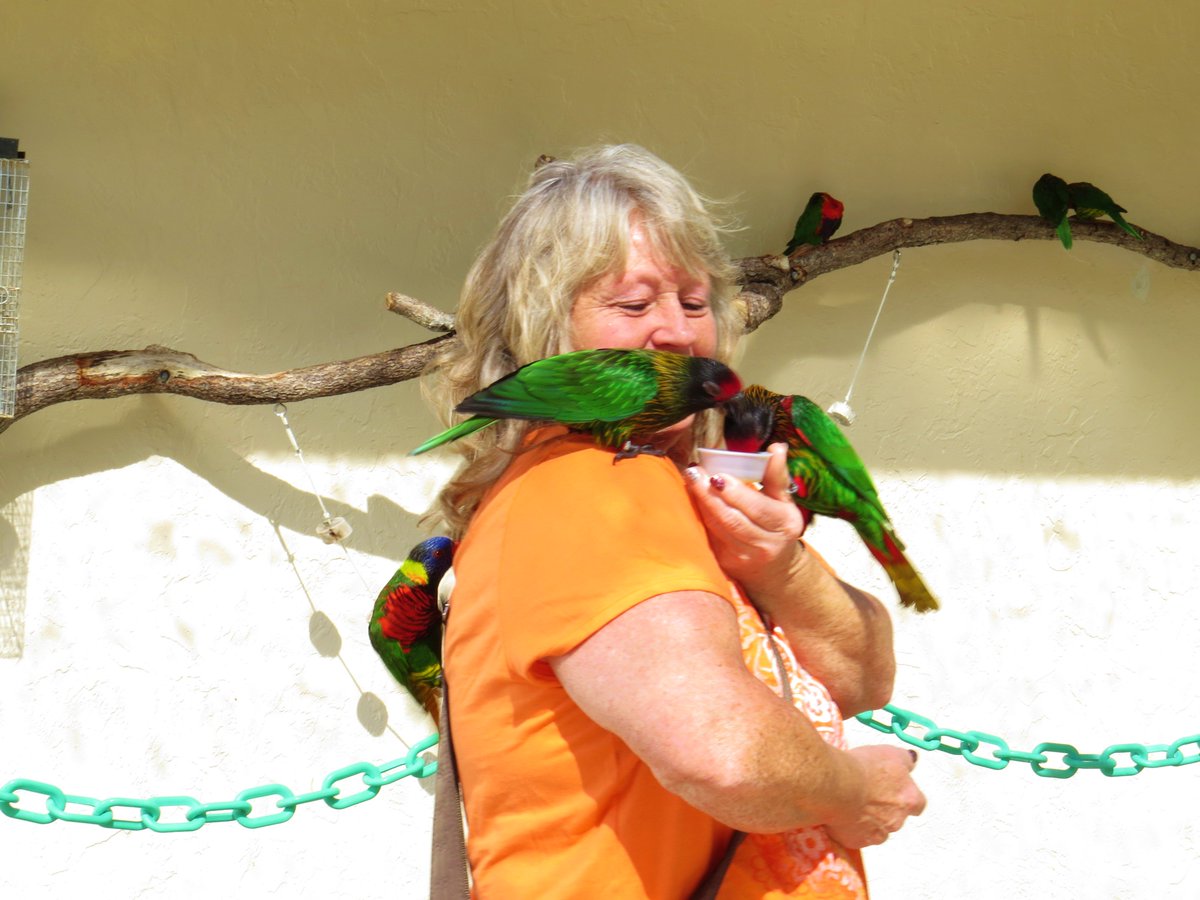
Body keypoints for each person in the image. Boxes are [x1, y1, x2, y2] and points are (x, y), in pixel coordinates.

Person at [423, 144, 925, 899]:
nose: (678, 334)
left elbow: (864, 676)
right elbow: (725, 753)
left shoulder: (679, 484)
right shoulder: (588, 485)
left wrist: (775, 565)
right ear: (540, 336)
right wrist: (854, 792)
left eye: (695, 304)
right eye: (633, 306)